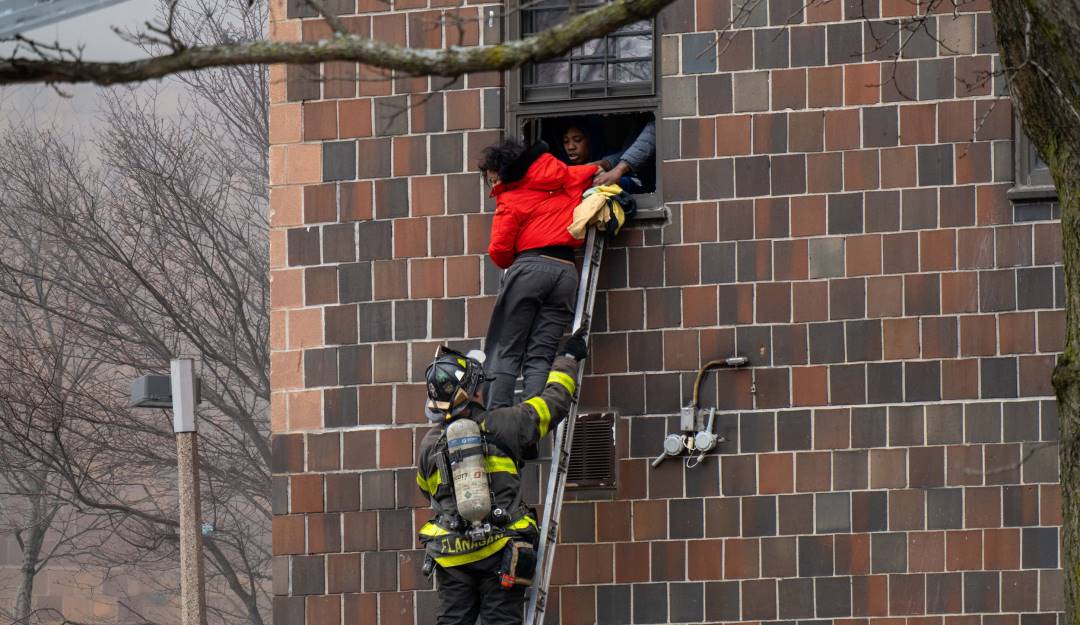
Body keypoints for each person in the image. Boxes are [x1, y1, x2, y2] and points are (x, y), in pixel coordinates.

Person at [415, 333, 589, 625]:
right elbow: (553, 404)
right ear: (475, 393)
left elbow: (426, 490)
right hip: (501, 550)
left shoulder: (429, 446)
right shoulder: (505, 424)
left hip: (452, 555)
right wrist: (568, 359)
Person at [479, 138, 598, 410]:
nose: (493, 185)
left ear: (505, 169)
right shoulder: (565, 176)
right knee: (541, 355)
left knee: (505, 349)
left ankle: (500, 420)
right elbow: (593, 170)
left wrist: (519, 259)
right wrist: (608, 163)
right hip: (566, 273)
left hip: (530, 269)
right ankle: (532, 421)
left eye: (493, 179)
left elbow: (499, 251)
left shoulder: (511, 197)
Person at [560, 118, 656, 192]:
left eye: (577, 140)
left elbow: (638, 184)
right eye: (565, 141)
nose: (570, 147)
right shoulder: (561, 167)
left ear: (592, 141)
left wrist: (617, 181)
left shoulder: (613, 160)